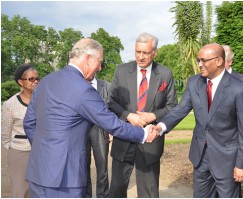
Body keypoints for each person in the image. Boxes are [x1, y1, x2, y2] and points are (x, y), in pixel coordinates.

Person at [23, 38, 157, 198]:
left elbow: (29, 123)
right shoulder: (84, 90)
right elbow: (112, 124)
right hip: (66, 178)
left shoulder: (46, 81)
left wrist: (47, 151)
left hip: (38, 171)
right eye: (99, 62)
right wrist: (143, 134)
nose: (100, 67)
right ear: (88, 58)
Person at [152, 43, 243, 197]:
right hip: (200, 158)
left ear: (219, 61)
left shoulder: (239, 89)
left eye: (203, 60)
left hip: (227, 160)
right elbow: (180, 110)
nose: (199, 64)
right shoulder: (194, 82)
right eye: (198, 60)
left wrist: (242, 164)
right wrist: (160, 126)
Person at [108, 32, 178, 198]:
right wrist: (128, 116)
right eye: (137, 51)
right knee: (117, 189)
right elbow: (110, 102)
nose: (140, 56)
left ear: (155, 52)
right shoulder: (122, 71)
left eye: (145, 53)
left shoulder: (165, 74)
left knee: (149, 192)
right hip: (124, 137)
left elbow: (172, 106)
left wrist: (153, 116)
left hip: (150, 140)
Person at [1, 64, 40, 197]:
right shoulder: (10, 105)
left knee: (38, 191)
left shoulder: (44, 100)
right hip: (19, 153)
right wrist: (14, 149)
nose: (35, 81)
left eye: (37, 79)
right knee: (20, 192)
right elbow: (4, 134)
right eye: (31, 79)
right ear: (20, 82)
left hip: (40, 152)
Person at [85, 77, 111, 198]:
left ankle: (103, 196)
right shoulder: (76, 84)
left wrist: (112, 130)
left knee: (102, 168)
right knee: (83, 167)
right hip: (81, 131)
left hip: (100, 130)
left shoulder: (106, 86)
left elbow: (112, 109)